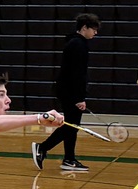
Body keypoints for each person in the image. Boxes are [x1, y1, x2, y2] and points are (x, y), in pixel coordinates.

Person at [32, 13, 101, 173]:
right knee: (71, 126)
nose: (95, 33)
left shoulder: (76, 43)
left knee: (72, 126)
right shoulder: (78, 45)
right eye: (94, 29)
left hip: (66, 91)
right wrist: (79, 98)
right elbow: (77, 74)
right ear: (84, 28)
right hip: (70, 93)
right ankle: (42, 148)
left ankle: (69, 159)